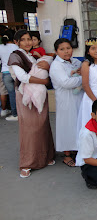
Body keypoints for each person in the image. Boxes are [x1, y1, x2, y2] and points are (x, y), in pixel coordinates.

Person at [7, 29, 55, 178]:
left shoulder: (33, 55)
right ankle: (27, 163)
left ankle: (44, 157)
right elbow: (23, 77)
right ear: (17, 42)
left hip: (39, 95)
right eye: (23, 40)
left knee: (42, 126)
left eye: (29, 39)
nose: (28, 42)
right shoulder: (15, 56)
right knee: (29, 129)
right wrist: (44, 81)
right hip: (25, 96)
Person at [49, 39, 83, 167]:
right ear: (56, 51)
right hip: (66, 99)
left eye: (68, 48)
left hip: (78, 98)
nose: (66, 51)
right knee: (66, 125)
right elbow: (66, 83)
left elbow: (82, 70)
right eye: (62, 49)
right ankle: (67, 154)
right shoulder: (56, 65)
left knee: (77, 124)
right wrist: (82, 78)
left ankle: (76, 148)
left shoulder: (75, 61)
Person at [0, 31, 18, 120]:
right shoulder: (16, 47)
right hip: (15, 72)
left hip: (5, 73)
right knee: (19, 92)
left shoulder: (0, 47)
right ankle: (21, 112)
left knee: (11, 94)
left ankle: (14, 114)